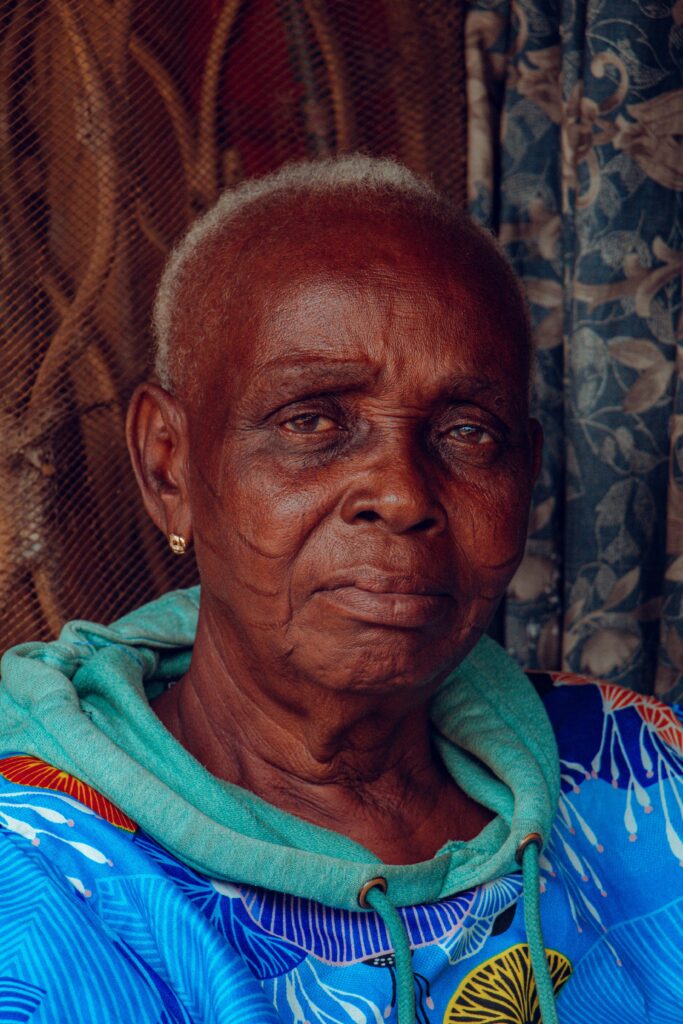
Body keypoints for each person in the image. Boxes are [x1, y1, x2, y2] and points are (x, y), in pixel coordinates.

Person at [0, 156, 681, 1024]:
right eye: (312, 420)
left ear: (527, 474)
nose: (400, 495)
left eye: (468, 433)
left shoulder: (640, 761)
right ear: (167, 465)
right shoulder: (38, 882)